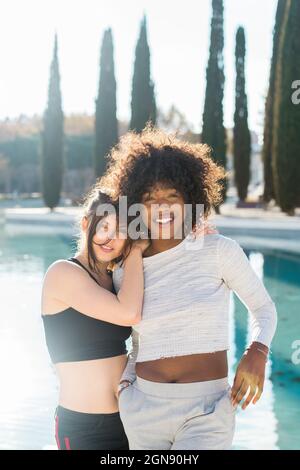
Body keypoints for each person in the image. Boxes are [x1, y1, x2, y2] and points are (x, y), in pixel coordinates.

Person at [99, 124, 278, 450]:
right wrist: (126, 387)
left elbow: (263, 309)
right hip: (142, 409)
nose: (162, 207)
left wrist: (257, 351)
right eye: (150, 198)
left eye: (172, 196)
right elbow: (134, 338)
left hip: (206, 411)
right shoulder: (127, 268)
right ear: (135, 205)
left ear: (190, 198)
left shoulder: (217, 250)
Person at [41, 188, 148, 450]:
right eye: (104, 227)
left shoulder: (116, 280)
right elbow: (130, 313)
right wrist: (135, 251)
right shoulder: (62, 273)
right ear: (86, 224)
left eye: (121, 231)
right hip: (84, 428)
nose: (110, 238)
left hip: (128, 420)